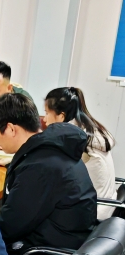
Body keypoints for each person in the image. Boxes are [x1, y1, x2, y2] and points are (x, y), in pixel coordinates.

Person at [0, 93, 97, 255]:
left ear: (11, 129)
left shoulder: (40, 167)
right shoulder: (52, 151)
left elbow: (10, 225)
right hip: (64, 247)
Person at [45, 86, 117, 219]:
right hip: (104, 206)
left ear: (61, 116)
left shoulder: (74, 140)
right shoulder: (89, 132)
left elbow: (53, 173)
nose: (44, 119)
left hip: (92, 212)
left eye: (47, 113)